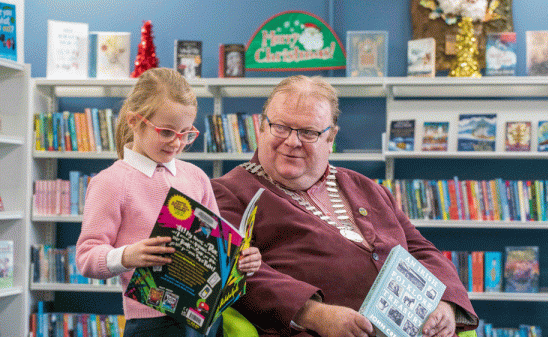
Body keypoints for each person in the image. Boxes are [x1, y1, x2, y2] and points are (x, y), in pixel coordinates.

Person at [211, 75, 479, 337]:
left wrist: (445, 303)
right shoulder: (228, 192)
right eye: (280, 127)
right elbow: (234, 270)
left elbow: (422, 250)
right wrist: (314, 314)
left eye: (308, 132)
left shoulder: (366, 187)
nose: (292, 142)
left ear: (331, 138)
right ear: (262, 127)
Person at [75, 68, 261, 337]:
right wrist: (127, 256)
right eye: (166, 132)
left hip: (205, 319)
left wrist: (243, 260)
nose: (177, 143)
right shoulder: (111, 182)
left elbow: (217, 246)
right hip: (153, 324)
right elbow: (86, 257)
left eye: (186, 134)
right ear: (133, 121)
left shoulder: (196, 177)